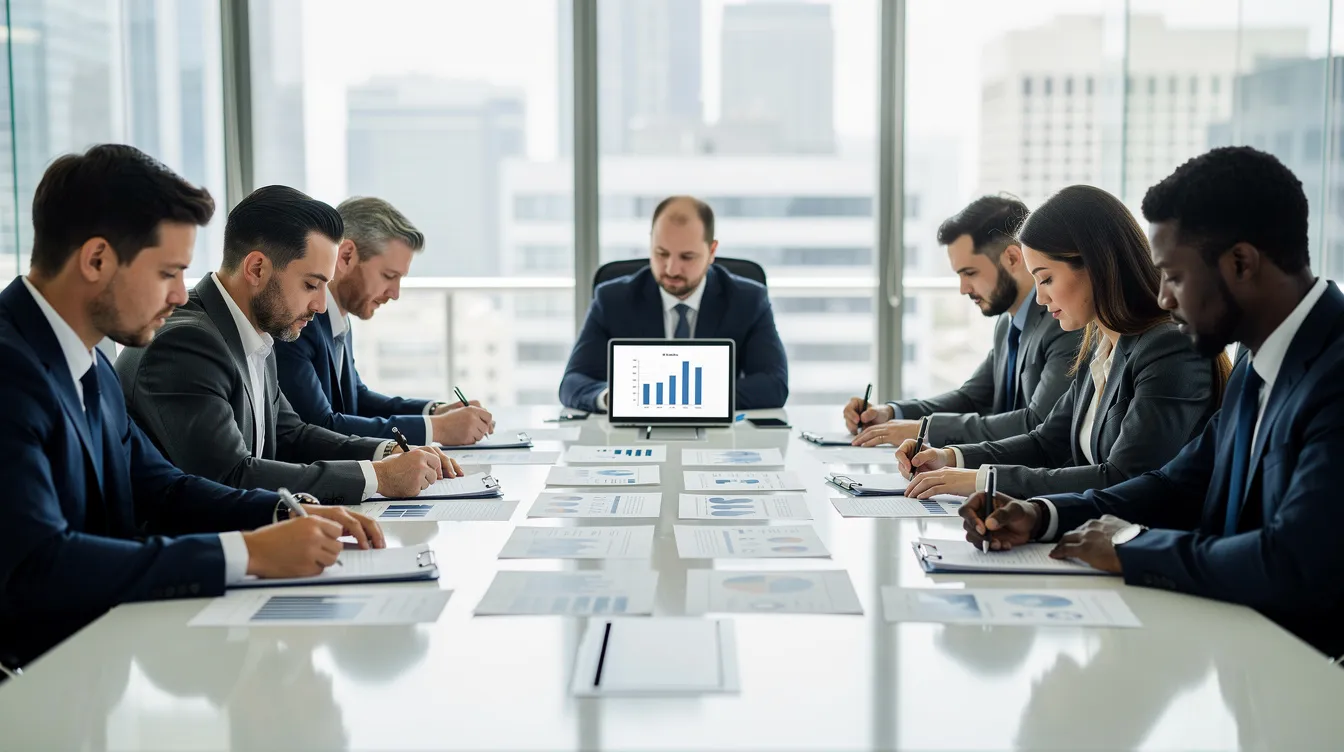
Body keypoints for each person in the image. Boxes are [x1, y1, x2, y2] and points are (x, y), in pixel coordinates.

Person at [0, 145, 383, 668]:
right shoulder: (10, 370)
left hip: (94, 659)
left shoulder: (89, 365)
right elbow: (38, 566)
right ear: (96, 260)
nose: (182, 295)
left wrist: (282, 511)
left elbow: (163, 489)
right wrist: (248, 553)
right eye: (168, 273)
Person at [959, 147, 1344, 657]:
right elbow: (1174, 483)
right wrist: (1041, 514)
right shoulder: (1257, 362)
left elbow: (1292, 560)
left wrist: (1132, 548)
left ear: (1241, 263)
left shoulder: (1334, 372)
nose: (1163, 298)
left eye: (1175, 277)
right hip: (1243, 658)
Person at [116, 185, 460, 505]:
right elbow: (229, 476)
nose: (321, 306)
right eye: (311, 285)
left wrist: (386, 452)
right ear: (257, 269)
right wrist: (378, 477)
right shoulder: (187, 343)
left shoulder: (257, 331)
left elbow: (292, 435)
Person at [895, 185, 1229, 500]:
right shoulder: (1099, 344)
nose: (1040, 298)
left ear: (1096, 265)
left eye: (1046, 279)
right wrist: (949, 458)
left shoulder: (1169, 348)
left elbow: (1124, 478)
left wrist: (981, 481)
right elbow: (1046, 443)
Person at [843, 195, 1081, 446]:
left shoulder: (1062, 322)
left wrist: (924, 429)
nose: (963, 288)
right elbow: (971, 398)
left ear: (1012, 258)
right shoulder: (1008, 324)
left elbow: (1036, 423)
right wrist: (890, 413)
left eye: (970, 273)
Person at [275, 197, 494, 446]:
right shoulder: (301, 321)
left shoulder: (338, 318)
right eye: (389, 276)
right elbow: (320, 427)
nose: (395, 293)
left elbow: (356, 398)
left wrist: (435, 412)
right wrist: (438, 429)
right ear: (346, 257)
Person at [559, 195, 788, 412]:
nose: (671, 269)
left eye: (687, 257)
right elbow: (573, 381)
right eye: (661, 253)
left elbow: (774, 384)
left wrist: (677, 397)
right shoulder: (612, 299)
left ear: (711, 251)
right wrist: (615, 398)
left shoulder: (748, 300)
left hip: (717, 434)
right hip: (635, 432)